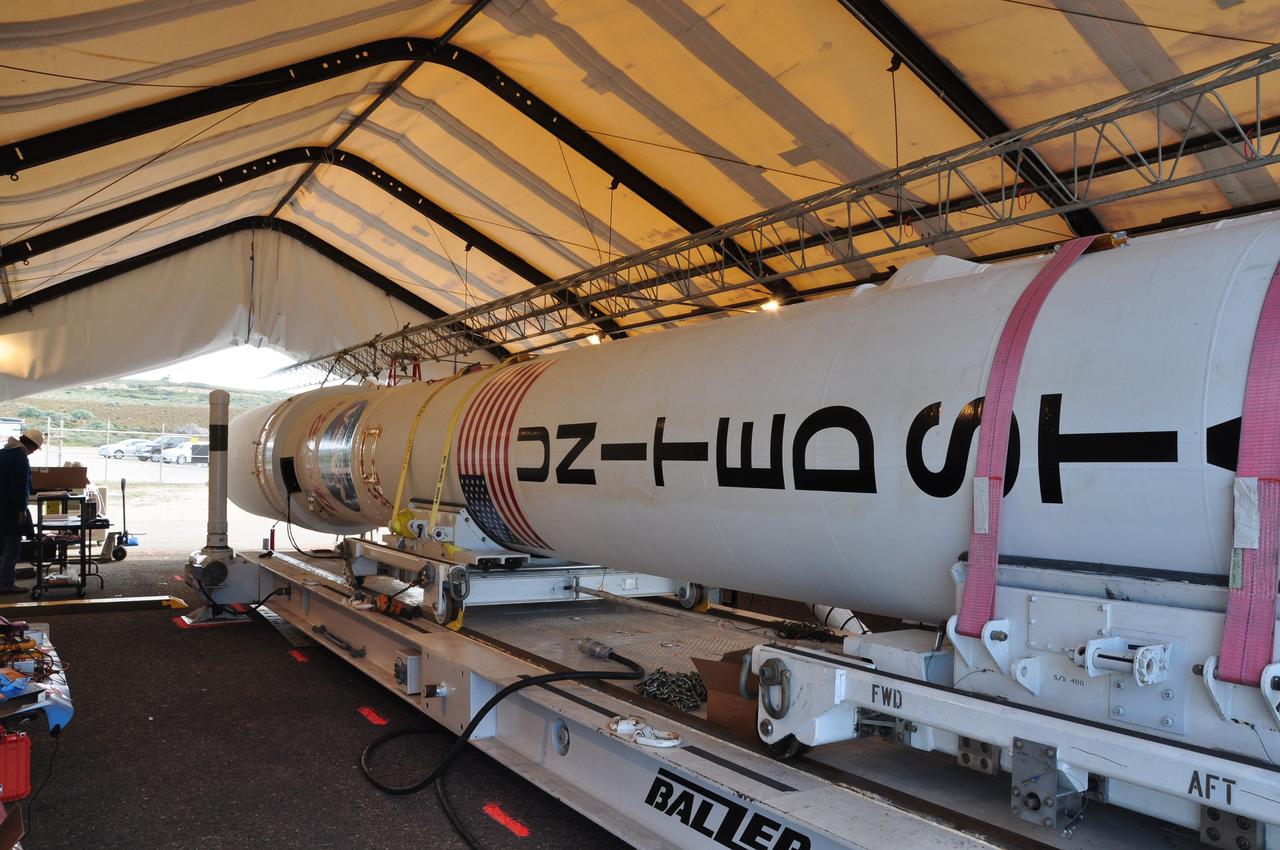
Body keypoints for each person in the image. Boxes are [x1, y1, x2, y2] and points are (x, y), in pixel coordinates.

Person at [0, 429, 42, 594]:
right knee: (12, 547)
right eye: (34, 449)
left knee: (1, 546)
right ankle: (6, 584)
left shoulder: (3, 453)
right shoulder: (19, 458)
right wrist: (21, 510)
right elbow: (18, 487)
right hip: (9, 509)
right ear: (31, 445)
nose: (32, 452)